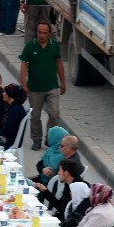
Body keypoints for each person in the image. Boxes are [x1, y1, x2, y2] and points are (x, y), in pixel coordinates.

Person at [19, 22, 66, 151]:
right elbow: (23, 66)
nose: (41, 35)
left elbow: (59, 64)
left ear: (49, 34)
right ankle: (36, 139)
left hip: (52, 86)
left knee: (55, 113)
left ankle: (50, 138)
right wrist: (24, 84)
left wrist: (63, 82)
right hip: (35, 88)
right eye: (39, 32)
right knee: (35, 115)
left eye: (44, 33)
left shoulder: (54, 46)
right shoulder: (30, 47)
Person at [0, 83, 28, 149]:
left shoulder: (15, 110)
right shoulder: (13, 107)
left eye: (5, 92)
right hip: (8, 138)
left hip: (9, 142)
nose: (3, 94)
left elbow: (8, 129)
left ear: (11, 95)